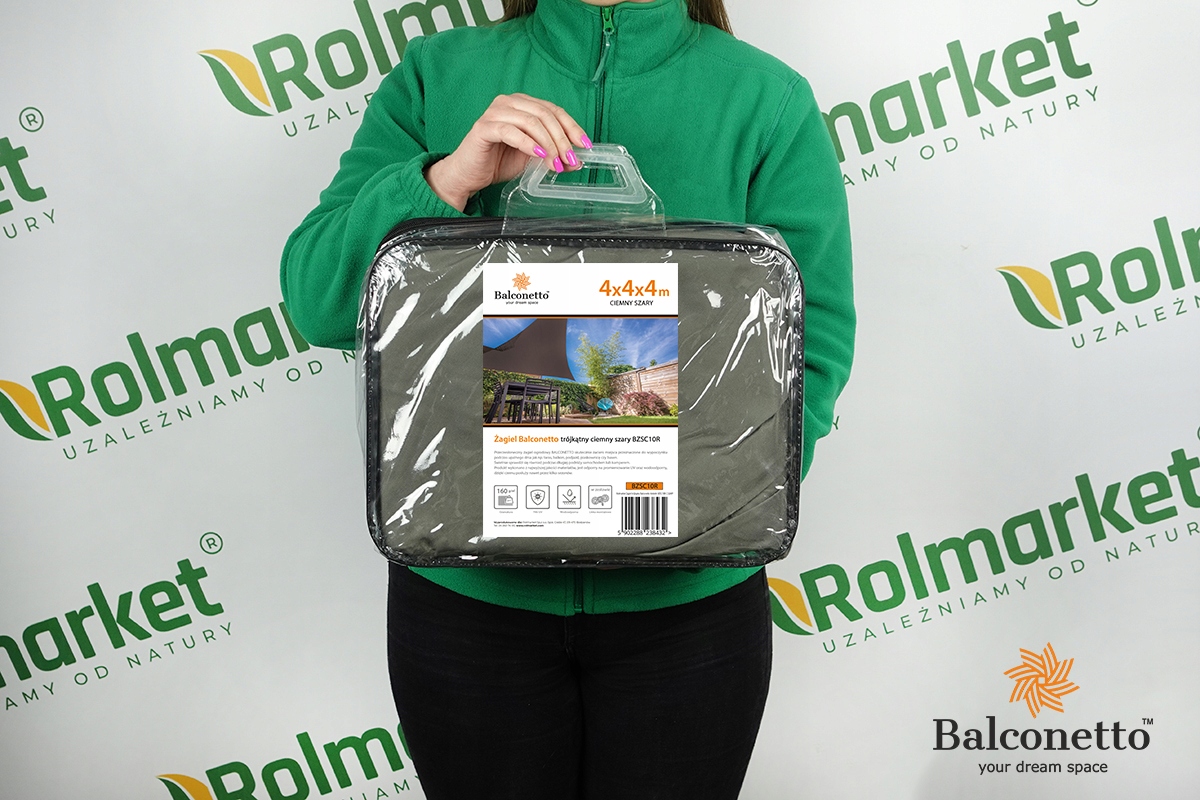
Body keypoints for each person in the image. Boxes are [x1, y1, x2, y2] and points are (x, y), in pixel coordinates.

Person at [280, 0, 854, 796]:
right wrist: (447, 179)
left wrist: (721, 500)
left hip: (688, 610)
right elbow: (319, 302)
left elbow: (811, 339)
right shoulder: (436, 78)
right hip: (467, 606)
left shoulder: (766, 100)